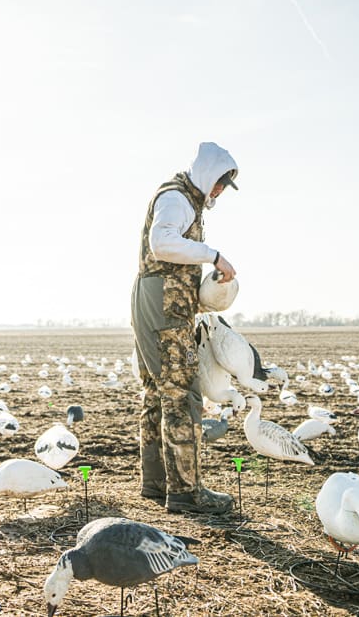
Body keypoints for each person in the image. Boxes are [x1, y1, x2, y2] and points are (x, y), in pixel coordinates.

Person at [131, 141, 239, 514]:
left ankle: (156, 482)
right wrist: (213, 255)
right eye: (220, 183)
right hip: (163, 305)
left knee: (157, 391)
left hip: (155, 299)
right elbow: (161, 244)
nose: (220, 191)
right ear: (208, 175)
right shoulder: (176, 199)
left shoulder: (183, 199)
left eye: (225, 186)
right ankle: (185, 492)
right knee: (183, 393)